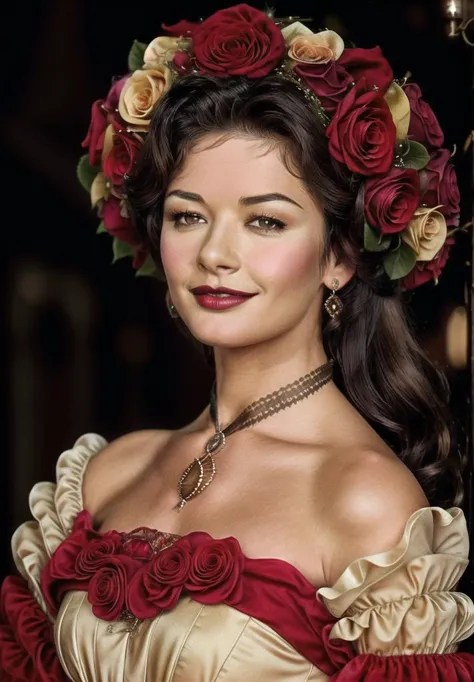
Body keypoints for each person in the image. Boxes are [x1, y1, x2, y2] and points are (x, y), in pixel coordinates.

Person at [1, 4, 474, 681]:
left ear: (339, 257)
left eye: (266, 222)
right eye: (188, 216)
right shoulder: (105, 477)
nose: (216, 254)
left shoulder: (364, 502)